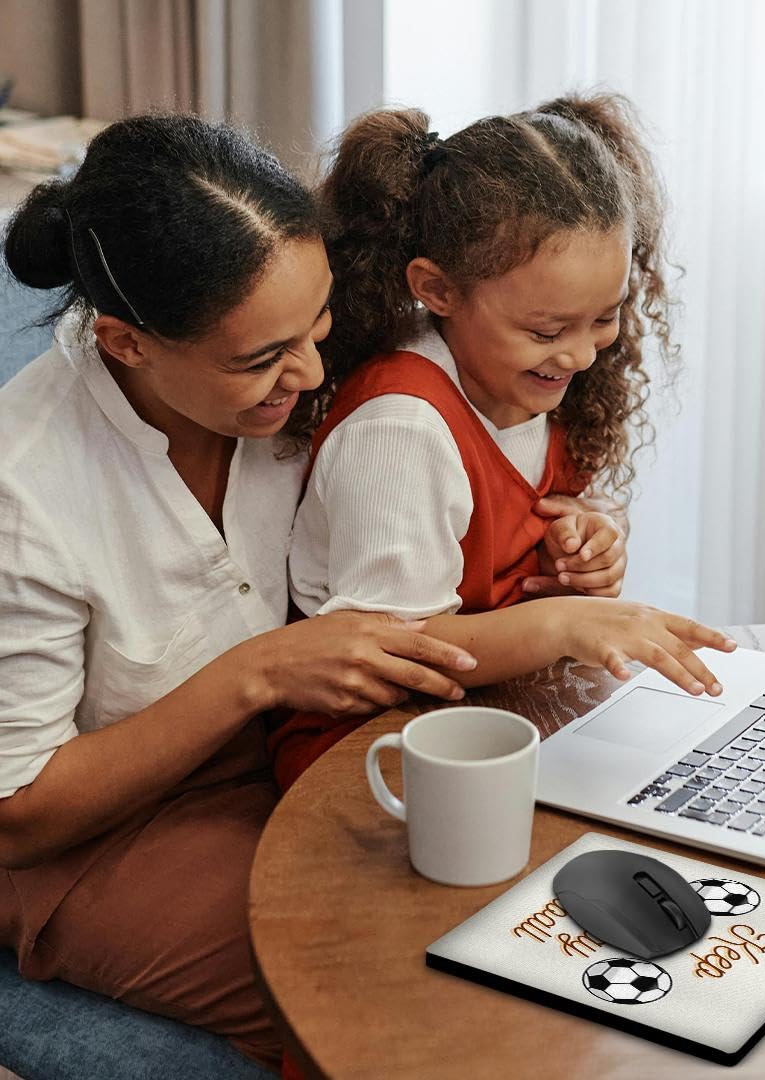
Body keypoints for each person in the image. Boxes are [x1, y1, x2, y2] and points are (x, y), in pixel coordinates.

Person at [0, 114, 478, 1070]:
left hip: (291, 762)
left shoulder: (293, 385)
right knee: (387, 995)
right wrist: (257, 674)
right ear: (126, 344)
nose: (307, 374)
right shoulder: (28, 490)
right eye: (261, 358)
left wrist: (582, 522)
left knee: (503, 923)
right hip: (94, 840)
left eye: (320, 327)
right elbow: (19, 810)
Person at [270, 93, 737, 793]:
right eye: (549, 331)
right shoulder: (399, 430)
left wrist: (590, 539)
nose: (581, 357)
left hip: (497, 717)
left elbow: (529, 516)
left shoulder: (524, 382)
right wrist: (565, 625)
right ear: (437, 289)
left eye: (604, 319)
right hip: (368, 750)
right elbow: (399, 649)